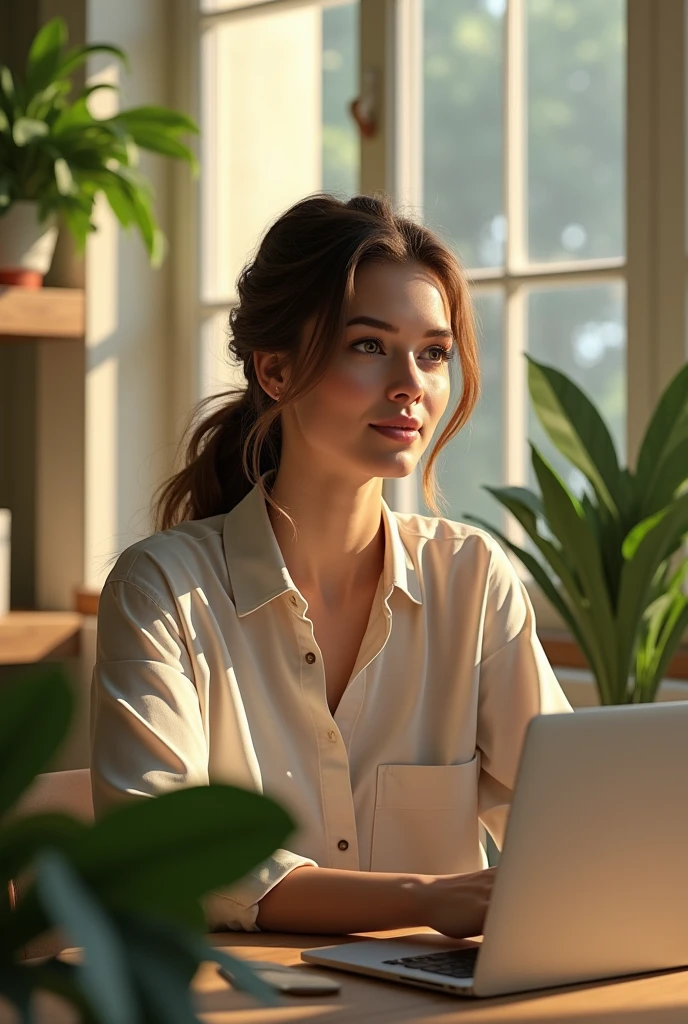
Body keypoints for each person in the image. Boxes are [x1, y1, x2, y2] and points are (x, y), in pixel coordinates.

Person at [89, 193, 571, 940]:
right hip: (235, 1003)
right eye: (369, 346)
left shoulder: (473, 578)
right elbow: (162, 854)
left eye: (434, 352)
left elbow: (569, 817)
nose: (412, 382)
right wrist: (419, 899)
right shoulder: (162, 591)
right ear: (275, 370)